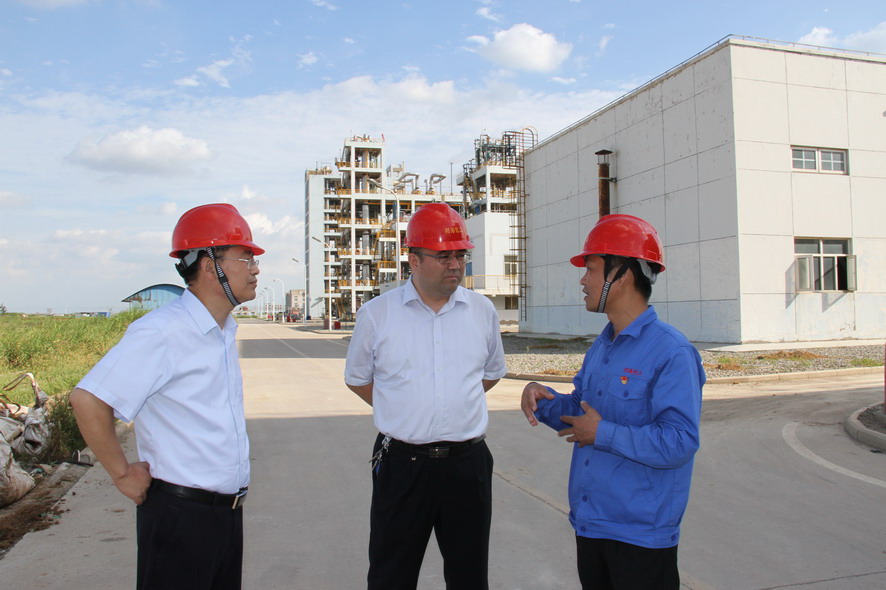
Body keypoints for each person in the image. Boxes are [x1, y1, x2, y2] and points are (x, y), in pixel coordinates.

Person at [70, 203, 263, 590]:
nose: (255, 269)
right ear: (209, 266)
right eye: (245, 258)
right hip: (181, 517)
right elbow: (88, 399)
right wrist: (123, 474)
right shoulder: (162, 331)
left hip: (225, 514)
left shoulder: (223, 330)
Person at [520, 214, 704, 590]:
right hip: (591, 525)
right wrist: (545, 399)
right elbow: (583, 410)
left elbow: (680, 442)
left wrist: (603, 433)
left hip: (641, 537)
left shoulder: (671, 352)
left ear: (621, 275)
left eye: (590, 269)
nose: (583, 280)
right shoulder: (604, 345)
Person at [344, 202, 507, 590]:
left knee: (469, 576)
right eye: (444, 256)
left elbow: (490, 374)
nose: (455, 265)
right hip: (403, 465)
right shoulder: (377, 315)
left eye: (460, 255)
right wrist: (404, 408)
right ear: (413, 260)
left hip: (467, 466)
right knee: (391, 575)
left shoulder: (481, 311)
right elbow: (358, 379)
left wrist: (448, 403)